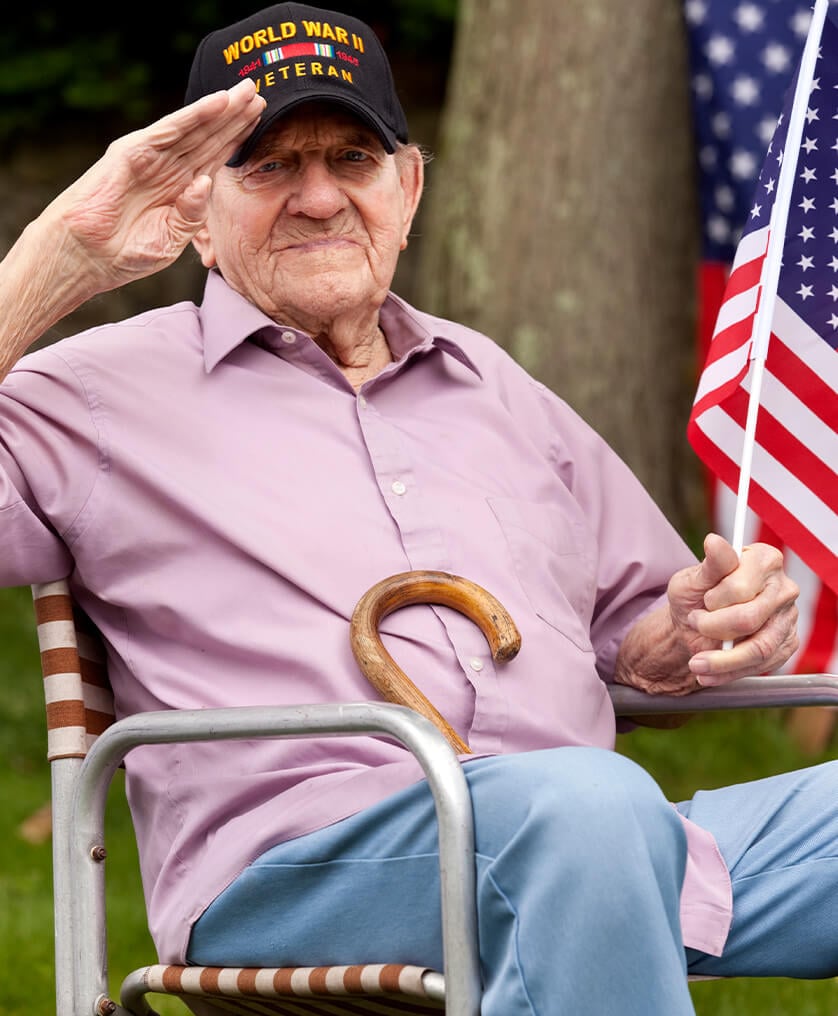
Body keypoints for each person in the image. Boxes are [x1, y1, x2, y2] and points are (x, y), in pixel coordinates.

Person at [0, 4, 832, 1013]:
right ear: (192, 212)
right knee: (583, 806)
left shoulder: (492, 383)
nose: (317, 197)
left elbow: (643, 636)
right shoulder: (92, 394)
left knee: (591, 811)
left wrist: (700, 626)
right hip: (308, 866)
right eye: (268, 165)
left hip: (594, 834)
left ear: (409, 188)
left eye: (353, 157)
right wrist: (66, 255)